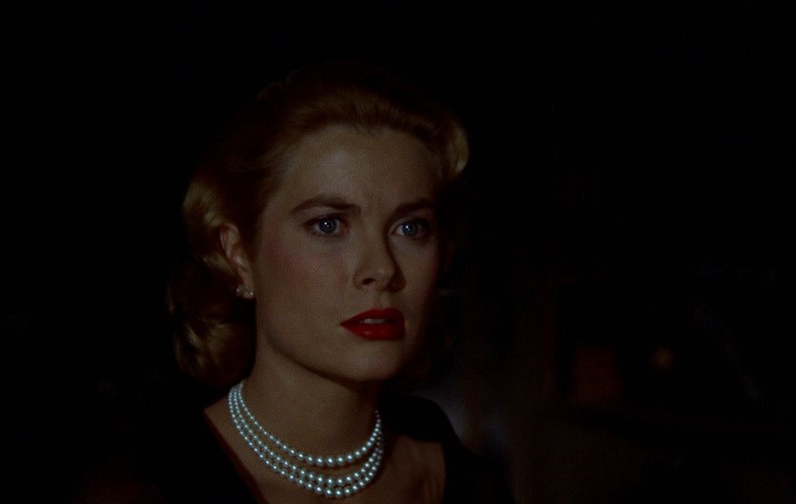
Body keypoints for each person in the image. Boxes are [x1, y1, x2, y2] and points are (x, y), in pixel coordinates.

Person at [79, 60, 515, 504]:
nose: (383, 268)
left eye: (410, 228)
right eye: (328, 225)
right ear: (239, 256)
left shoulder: (465, 480)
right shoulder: (147, 487)